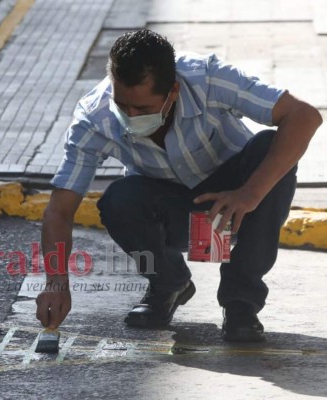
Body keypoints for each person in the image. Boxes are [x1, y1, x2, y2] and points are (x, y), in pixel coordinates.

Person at [35, 29, 322, 342]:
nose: (130, 116)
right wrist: (56, 283)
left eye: (142, 109)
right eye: (122, 105)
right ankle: (169, 285)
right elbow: (59, 212)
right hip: (173, 210)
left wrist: (249, 193)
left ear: (172, 91)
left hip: (237, 205)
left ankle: (242, 304)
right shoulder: (94, 118)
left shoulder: (209, 79)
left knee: (271, 147)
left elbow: (304, 116)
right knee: (120, 199)